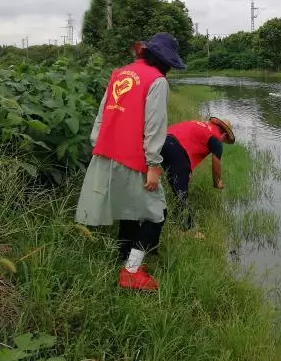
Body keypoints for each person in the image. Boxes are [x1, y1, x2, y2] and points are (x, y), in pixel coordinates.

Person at [75, 33, 186, 291]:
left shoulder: (120, 73)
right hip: (133, 156)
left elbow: (102, 115)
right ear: (165, 62)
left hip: (106, 152)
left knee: (128, 210)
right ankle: (131, 272)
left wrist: (98, 146)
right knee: (157, 214)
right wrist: (153, 165)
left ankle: (124, 257)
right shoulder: (156, 81)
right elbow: (155, 126)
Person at [161, 117, 236, 238]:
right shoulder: (216, 137)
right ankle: (188, 230)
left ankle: (172, 219)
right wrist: (217, 183)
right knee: (181, 193)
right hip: (175, 147)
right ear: (224, 135)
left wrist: (186, 173)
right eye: (225, 140)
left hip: (162, 140)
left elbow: (190, 142)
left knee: (178, 185)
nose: (223, 142)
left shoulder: (202, 126)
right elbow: (216, 165)